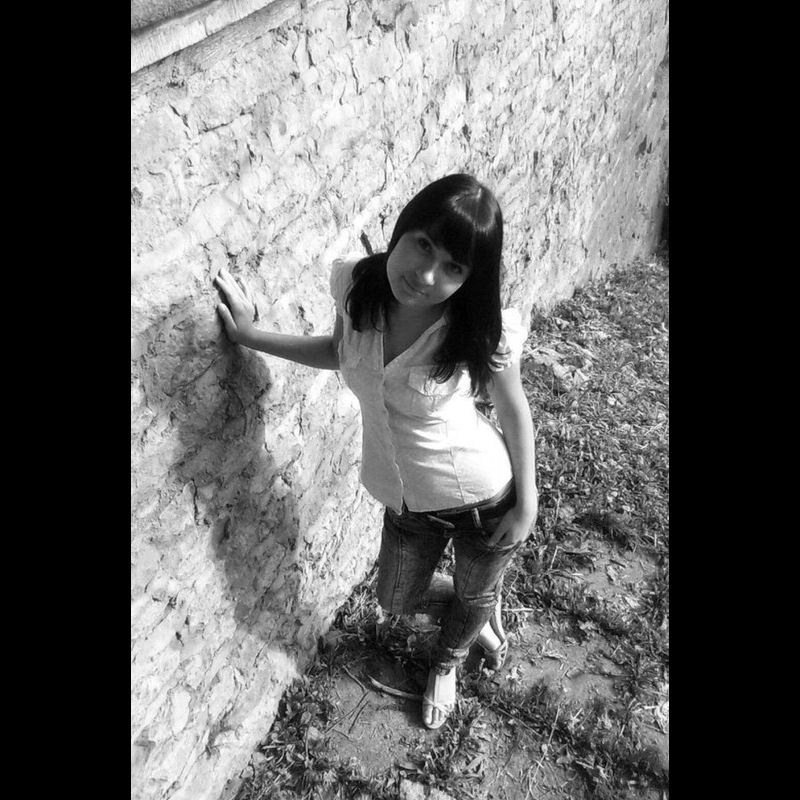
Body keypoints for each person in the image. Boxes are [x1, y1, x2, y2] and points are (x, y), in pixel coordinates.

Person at [214, 174, 538, 730]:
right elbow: (338, 353)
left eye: (453, 268)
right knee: (396, 597)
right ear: (403, 227)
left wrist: (527, 502)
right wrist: (249, 336)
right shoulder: (357, 287)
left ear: (469, 279)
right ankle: (477, 606)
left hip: (485, 498)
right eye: (423, 244)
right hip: (408, 502)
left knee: (472, 590)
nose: (427, 275)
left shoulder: (479, 329)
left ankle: (448, 660)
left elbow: (513, 410)